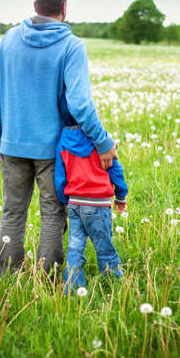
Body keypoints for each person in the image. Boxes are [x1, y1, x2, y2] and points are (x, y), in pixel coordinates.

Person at [0, 0, 118, 275]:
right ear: (64, 9)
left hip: (13, 144)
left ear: (35, 5)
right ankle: (48, 279)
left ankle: (7, 276)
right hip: (52, 150)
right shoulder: (72, 46)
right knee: (52, 213)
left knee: (12, 211)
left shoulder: (8, 39)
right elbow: (81, 104)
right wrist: (103, 141)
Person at [55, 96, 128, 293]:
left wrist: (65, 199)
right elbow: (116, 171)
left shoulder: (63, 141)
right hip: (98, 204)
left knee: (75, 249)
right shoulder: (99, 138)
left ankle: (71, 287)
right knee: (104, 246)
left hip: (75, 204)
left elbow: (60, 177)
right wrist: (121, 195)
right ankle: (115, 284)